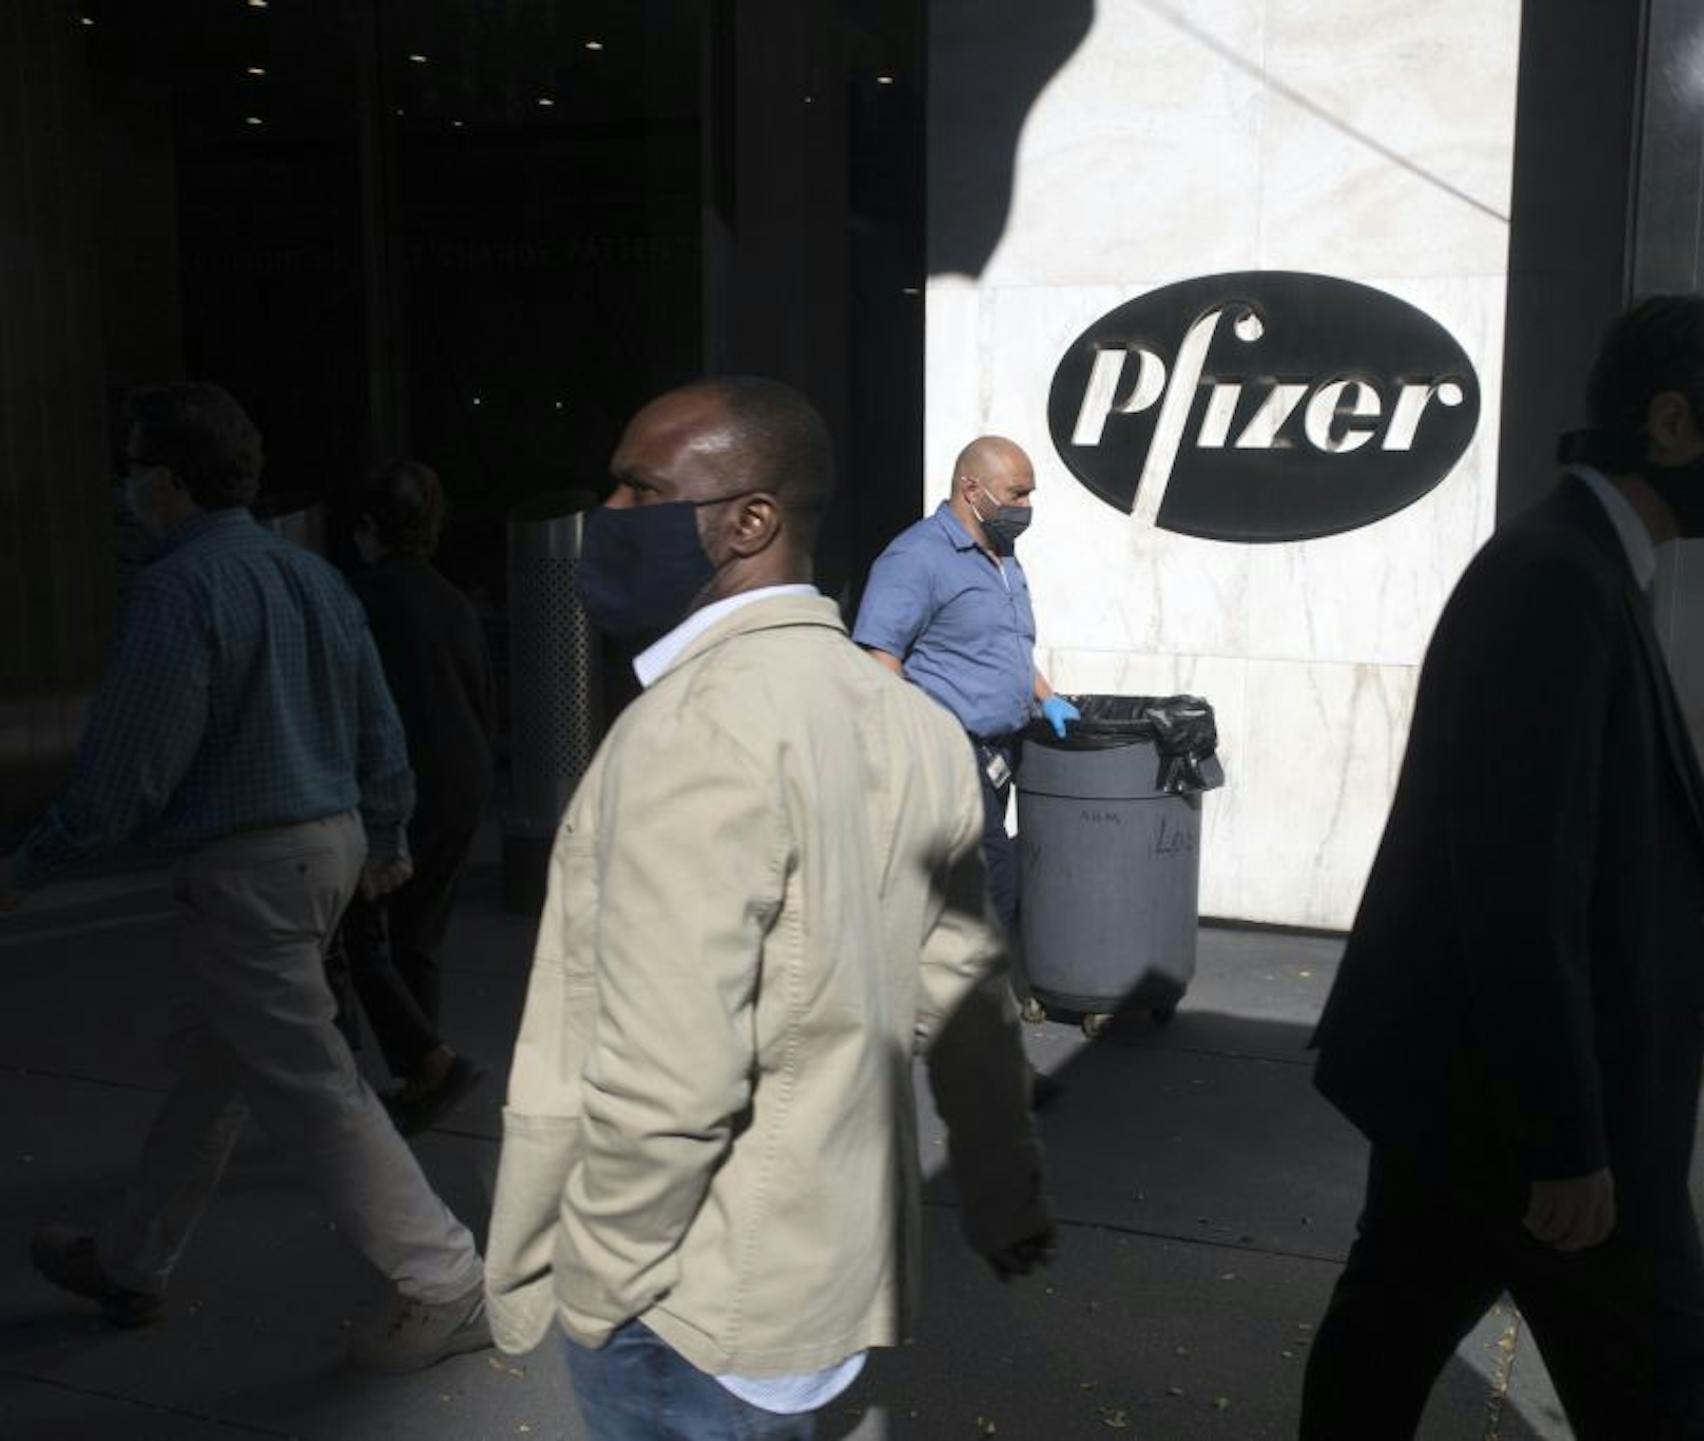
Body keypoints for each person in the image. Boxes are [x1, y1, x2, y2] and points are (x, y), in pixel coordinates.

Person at [485, 379, 1055, 1441]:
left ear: (751, 521)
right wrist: (1002, 1190)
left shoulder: (690, 731)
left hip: (690, 1307)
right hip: (828, 1282)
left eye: (638, 489)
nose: (608, 519)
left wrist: (591, 1289)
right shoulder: (912, 722)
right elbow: (971, 998)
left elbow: (671, 1080)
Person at [1300, 297, 1704, 1440]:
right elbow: (1518, 883)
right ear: (1673, 424)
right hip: (1541, 1110)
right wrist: (1568, 1142)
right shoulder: (1555, 583)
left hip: (1474, 1095)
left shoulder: (1577, 568)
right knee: (1657, 1371)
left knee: (1386, 1332)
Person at [2, 383, 490, 1373]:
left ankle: (445, 1277)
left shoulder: (178, 592)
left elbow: (128, 773)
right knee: (220, 1065)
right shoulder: (308, 577)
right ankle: (131, 1259)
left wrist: (28, 867)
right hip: (331, 843)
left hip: (250, 864)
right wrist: (386, 827)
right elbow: (377, 724)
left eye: (134, 468)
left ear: (172, 483)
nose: (125, 488)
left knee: (311, 1082)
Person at [853, 437, 1078, 1097]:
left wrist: (1045, 696)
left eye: (1030, 492)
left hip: (1000, 754)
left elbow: (1005, 646)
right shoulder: (916, 559)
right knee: (990, 901)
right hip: (949, 755)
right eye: (1018, 493)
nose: (1027, 506)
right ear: (972, 489)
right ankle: (996, 1068)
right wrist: (914, 744)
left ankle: (894, 1031)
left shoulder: (1003, 555)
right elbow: (877, 656)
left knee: (948, 907)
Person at [323, 460, 491, 1136]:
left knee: (359, 934)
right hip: (462, 777)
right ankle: (421, 1076)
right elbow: (481, 699)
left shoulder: (356, 598)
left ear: (367, 529)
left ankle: (429, 1062)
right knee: (418, 935)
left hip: (393, 783)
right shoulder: (453, 600)